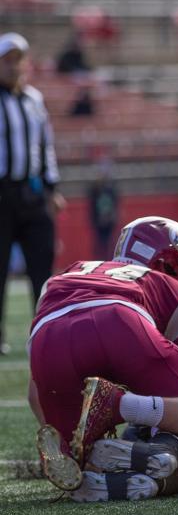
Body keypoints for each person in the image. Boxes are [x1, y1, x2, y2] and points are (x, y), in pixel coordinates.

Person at [30, 217, 178, 499]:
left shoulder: (68, 273)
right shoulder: (174, 291)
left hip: (48, 338)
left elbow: (35, 392)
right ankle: (124, 408)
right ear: (169, 262)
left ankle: (93, 469)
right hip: (120, 323)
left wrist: (61, 427)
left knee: (80, 456)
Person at [0, 32, 65, 356]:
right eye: (7, 60)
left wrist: (52, 188)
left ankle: (44, 330)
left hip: (33, 192)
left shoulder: (34, 100)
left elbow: (45, 147)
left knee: (42, 266)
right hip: (2, 194)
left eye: (18, 60)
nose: (14, 67)